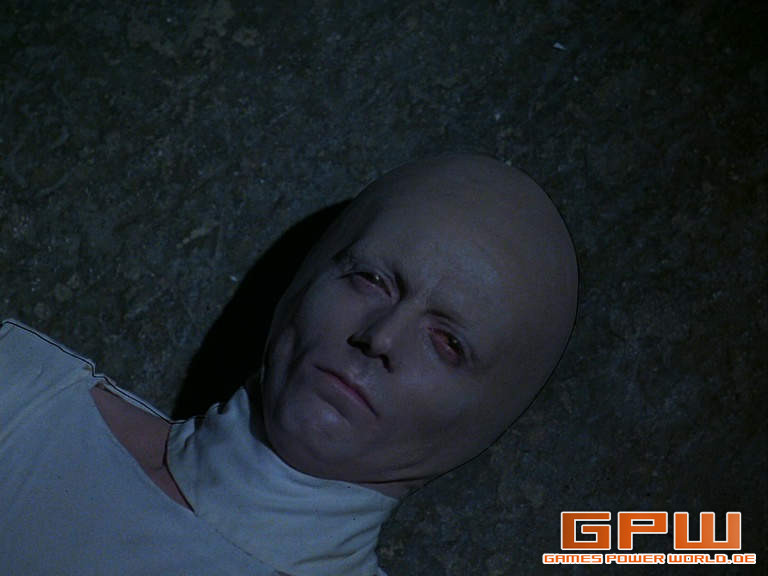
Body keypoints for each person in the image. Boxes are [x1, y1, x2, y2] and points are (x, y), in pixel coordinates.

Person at [0, 152, 577, 575]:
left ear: (487, 421)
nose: (381, 337)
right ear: (304, 281)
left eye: (447, 343)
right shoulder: (20, 393)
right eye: (371, 279)